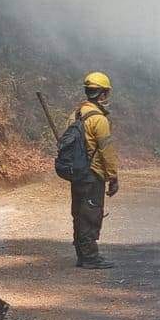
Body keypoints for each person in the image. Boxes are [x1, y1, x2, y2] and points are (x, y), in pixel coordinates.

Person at [70, 72, 120, 269]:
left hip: (76, 173)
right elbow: (107, 151)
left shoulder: (74, 114)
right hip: (93, 174)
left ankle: (82, 255)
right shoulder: (99, 119)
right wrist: (113, 177)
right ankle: (90, 257)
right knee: (91, 214)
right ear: (103, 94)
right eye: (106, 93)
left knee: (78, 212)